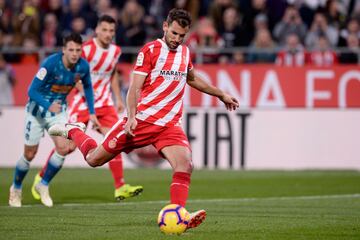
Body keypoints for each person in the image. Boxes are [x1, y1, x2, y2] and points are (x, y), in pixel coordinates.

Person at [49, 9, 239, 230]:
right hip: (141, 121)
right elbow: (134, 88)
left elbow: (194, 80)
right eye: (174, 33)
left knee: (185, 164)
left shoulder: (185, 53)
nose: (177, 39)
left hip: (169, 125)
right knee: (93, 159)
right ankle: (73, 130)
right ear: (165, 27)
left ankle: (180, 216)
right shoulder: (150, 51)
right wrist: (130, 117)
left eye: (182, 36)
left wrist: (221, 94)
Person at [32, 15, 143, 201]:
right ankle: (42, 177)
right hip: (84, 104)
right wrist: (86, 94)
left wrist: (117, 98)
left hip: (106, 104)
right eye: (105, 30)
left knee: (115, 140)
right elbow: (73, 74)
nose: (108, 34)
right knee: (68, 147)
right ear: (97, 30)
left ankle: (120, 186)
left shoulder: (115, 51)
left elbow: (113, 74)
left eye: (111, 31)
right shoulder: (86, 50)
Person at [8, 33, 97, 208]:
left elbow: (87, 86)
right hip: (36, 112)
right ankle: (16, 189)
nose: (74, 53)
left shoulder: (83, 66)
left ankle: (43, 184)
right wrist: (48, 105)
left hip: (58, 113)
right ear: (64, 50)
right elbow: (31, 90)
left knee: (64, 148)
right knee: (29, 155)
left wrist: (92, 111)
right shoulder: (50, 64)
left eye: (78, 50)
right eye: (71, 49)